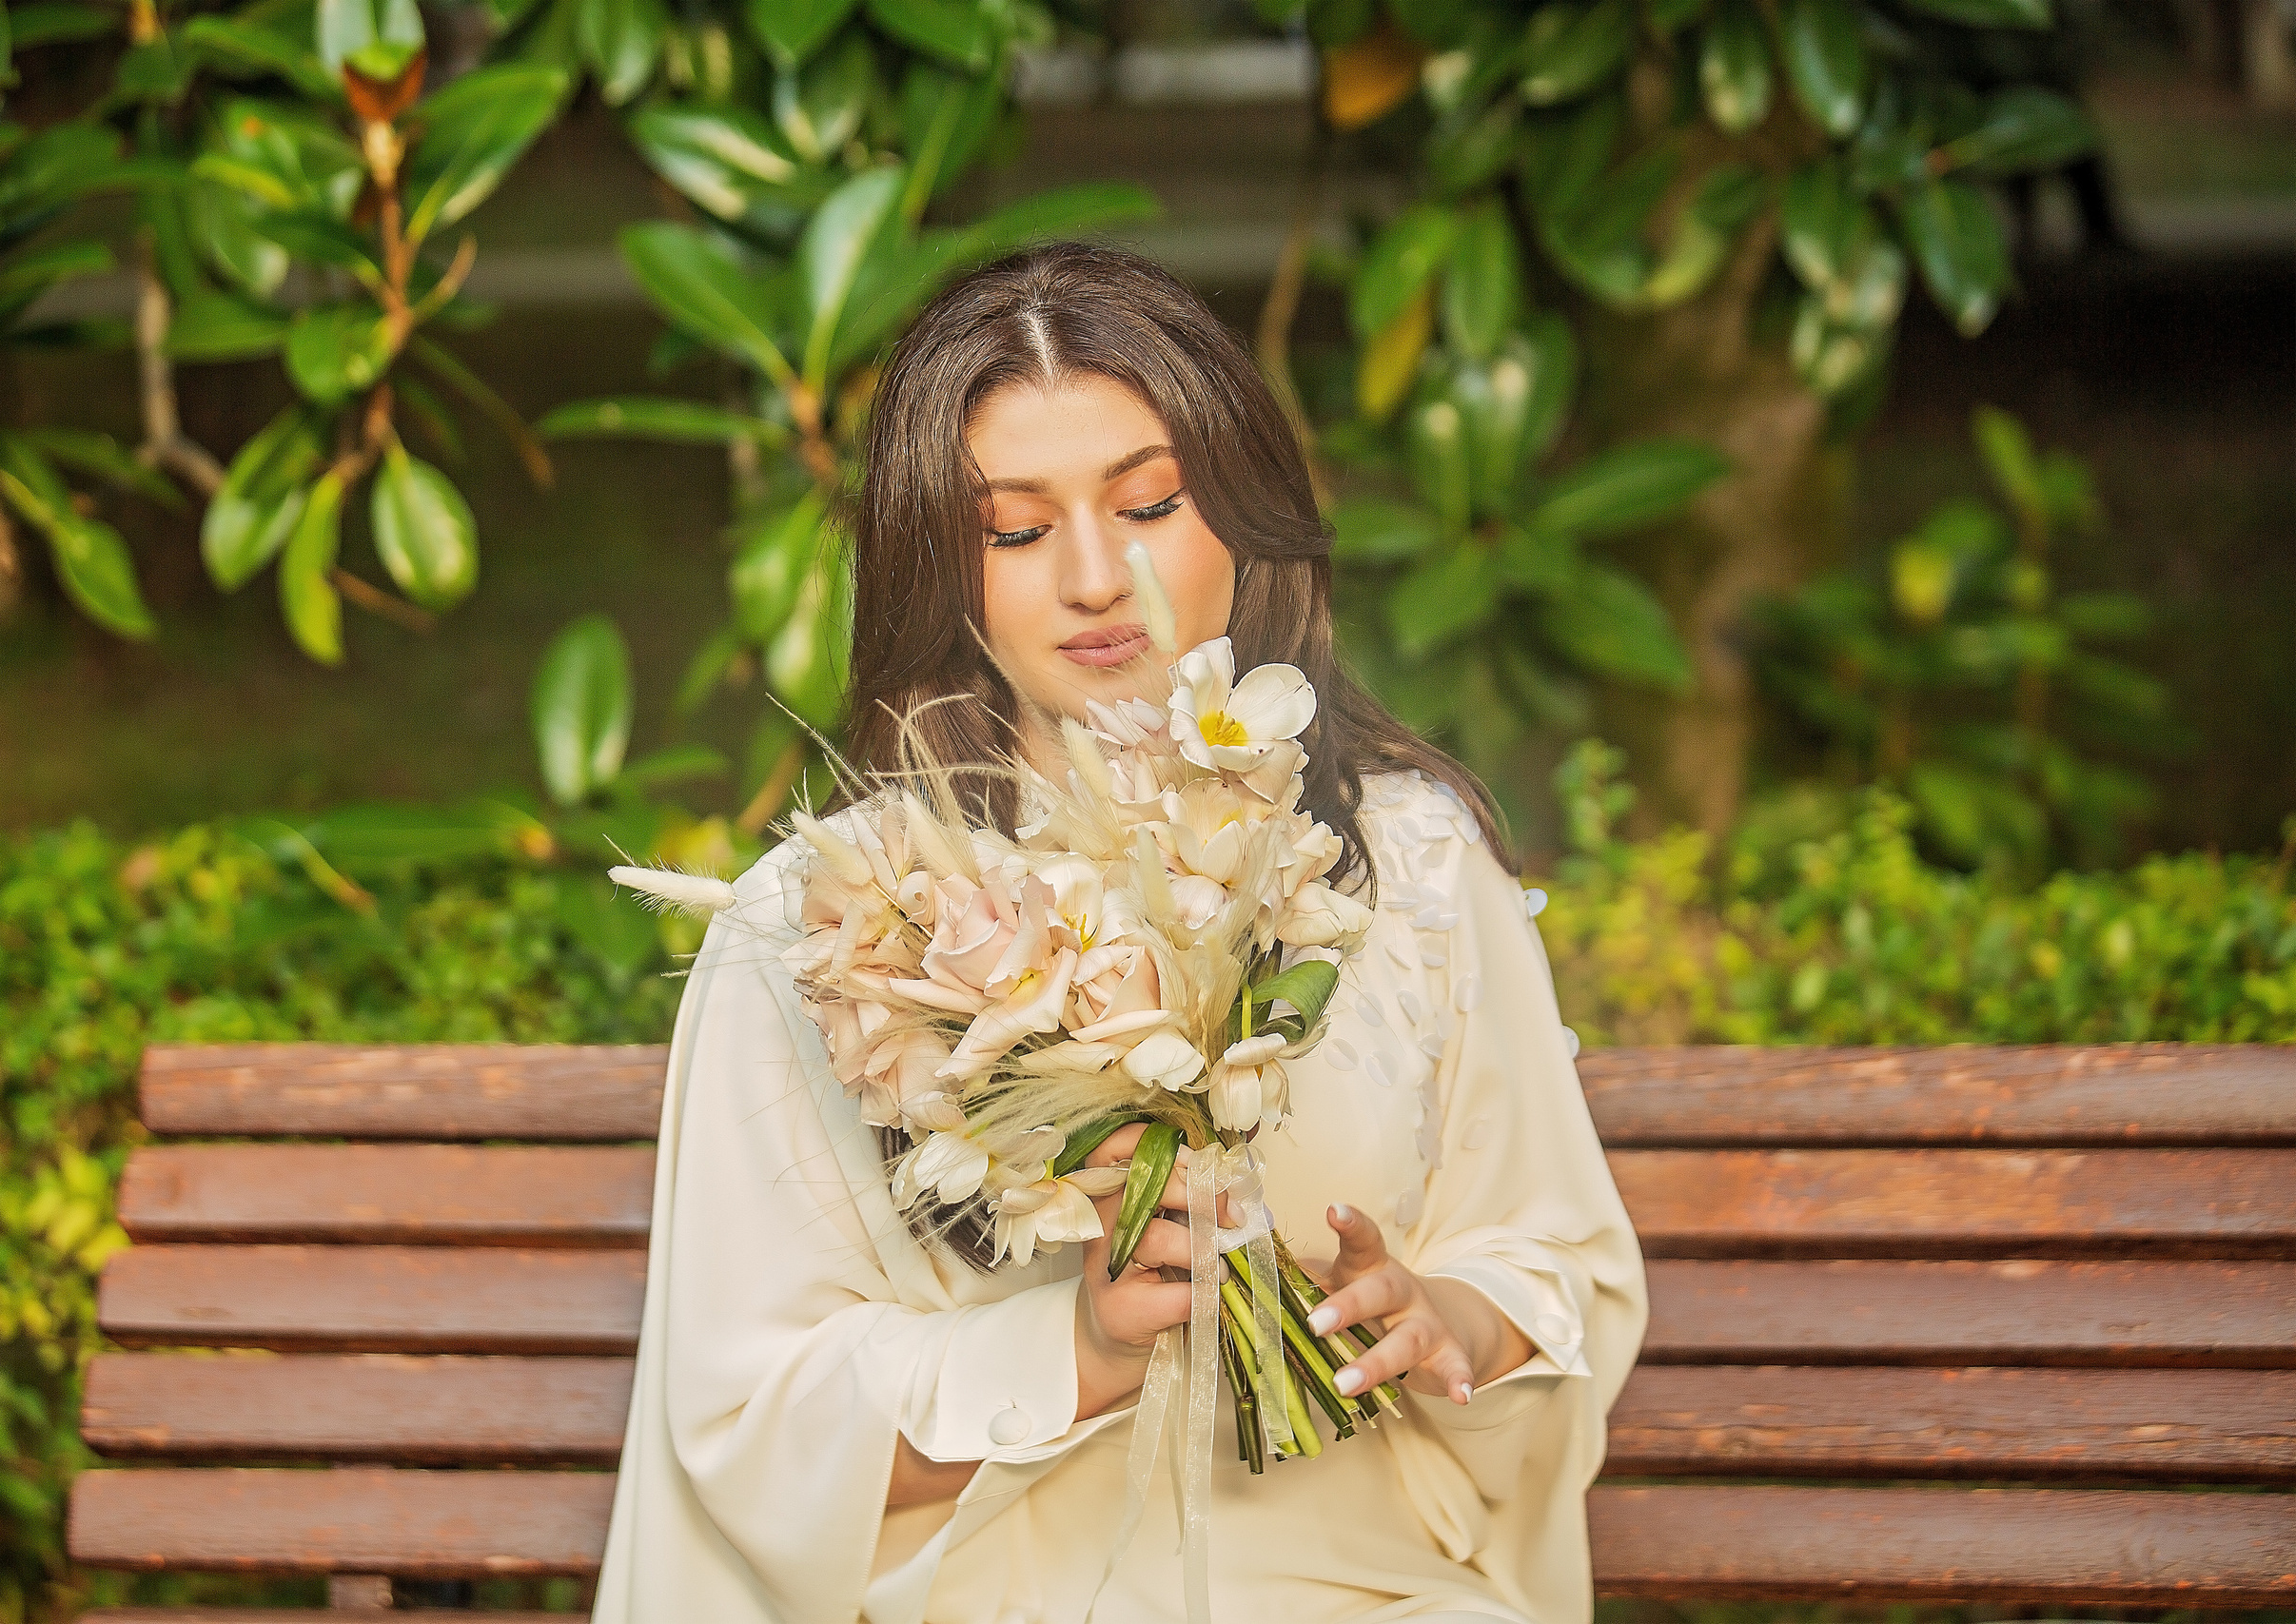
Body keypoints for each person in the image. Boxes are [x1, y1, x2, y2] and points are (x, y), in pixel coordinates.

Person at [592, 243, 1646, 1624]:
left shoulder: (1413, 866)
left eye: (1148, 504)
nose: (1095, 578)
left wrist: (1446, 1316)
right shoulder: (823, 926)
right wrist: (1080, 1346)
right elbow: (751, 1423)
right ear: (937, 562)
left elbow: (1555, 1260)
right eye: (1017, 530)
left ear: (1242, 513)